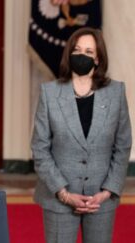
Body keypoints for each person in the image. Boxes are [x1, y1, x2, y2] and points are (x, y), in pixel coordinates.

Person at [31, 27, 131, 243]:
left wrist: (107, 191)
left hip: (100, 200)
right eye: (77, 50)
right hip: (58, 197)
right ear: (69, 54)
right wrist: (63, 193)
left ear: (98, 58)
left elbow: (123, 145)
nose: (81, 56)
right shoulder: (49, 93)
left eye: (88, 51)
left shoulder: (116, 92)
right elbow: (40, 148)